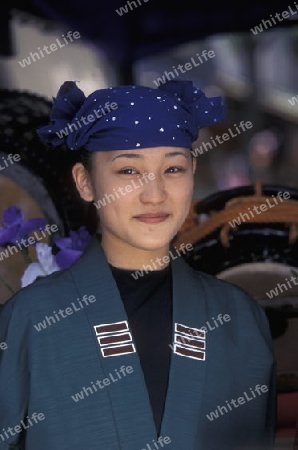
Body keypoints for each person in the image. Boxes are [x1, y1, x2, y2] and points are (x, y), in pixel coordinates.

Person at [0, 79, 276, 450]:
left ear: (192, 173)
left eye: (173, 169)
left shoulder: (238, 317)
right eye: (128, 171)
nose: (154, 194)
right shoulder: (30, 320)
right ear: (85, 182)